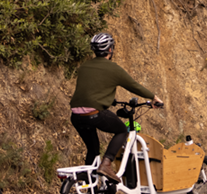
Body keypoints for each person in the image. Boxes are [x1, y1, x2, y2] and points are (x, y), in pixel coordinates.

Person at [69, 32, 163, 181]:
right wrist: (153, 97)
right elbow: (134, 86)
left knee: (93, 149)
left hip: (76, 116)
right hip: (94, 113)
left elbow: (91, 88)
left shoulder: (84, 67)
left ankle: (89, 187)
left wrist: (109, 99)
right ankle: (107, 164)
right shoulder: (113, 69)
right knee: (121, 130)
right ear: (110, 50)